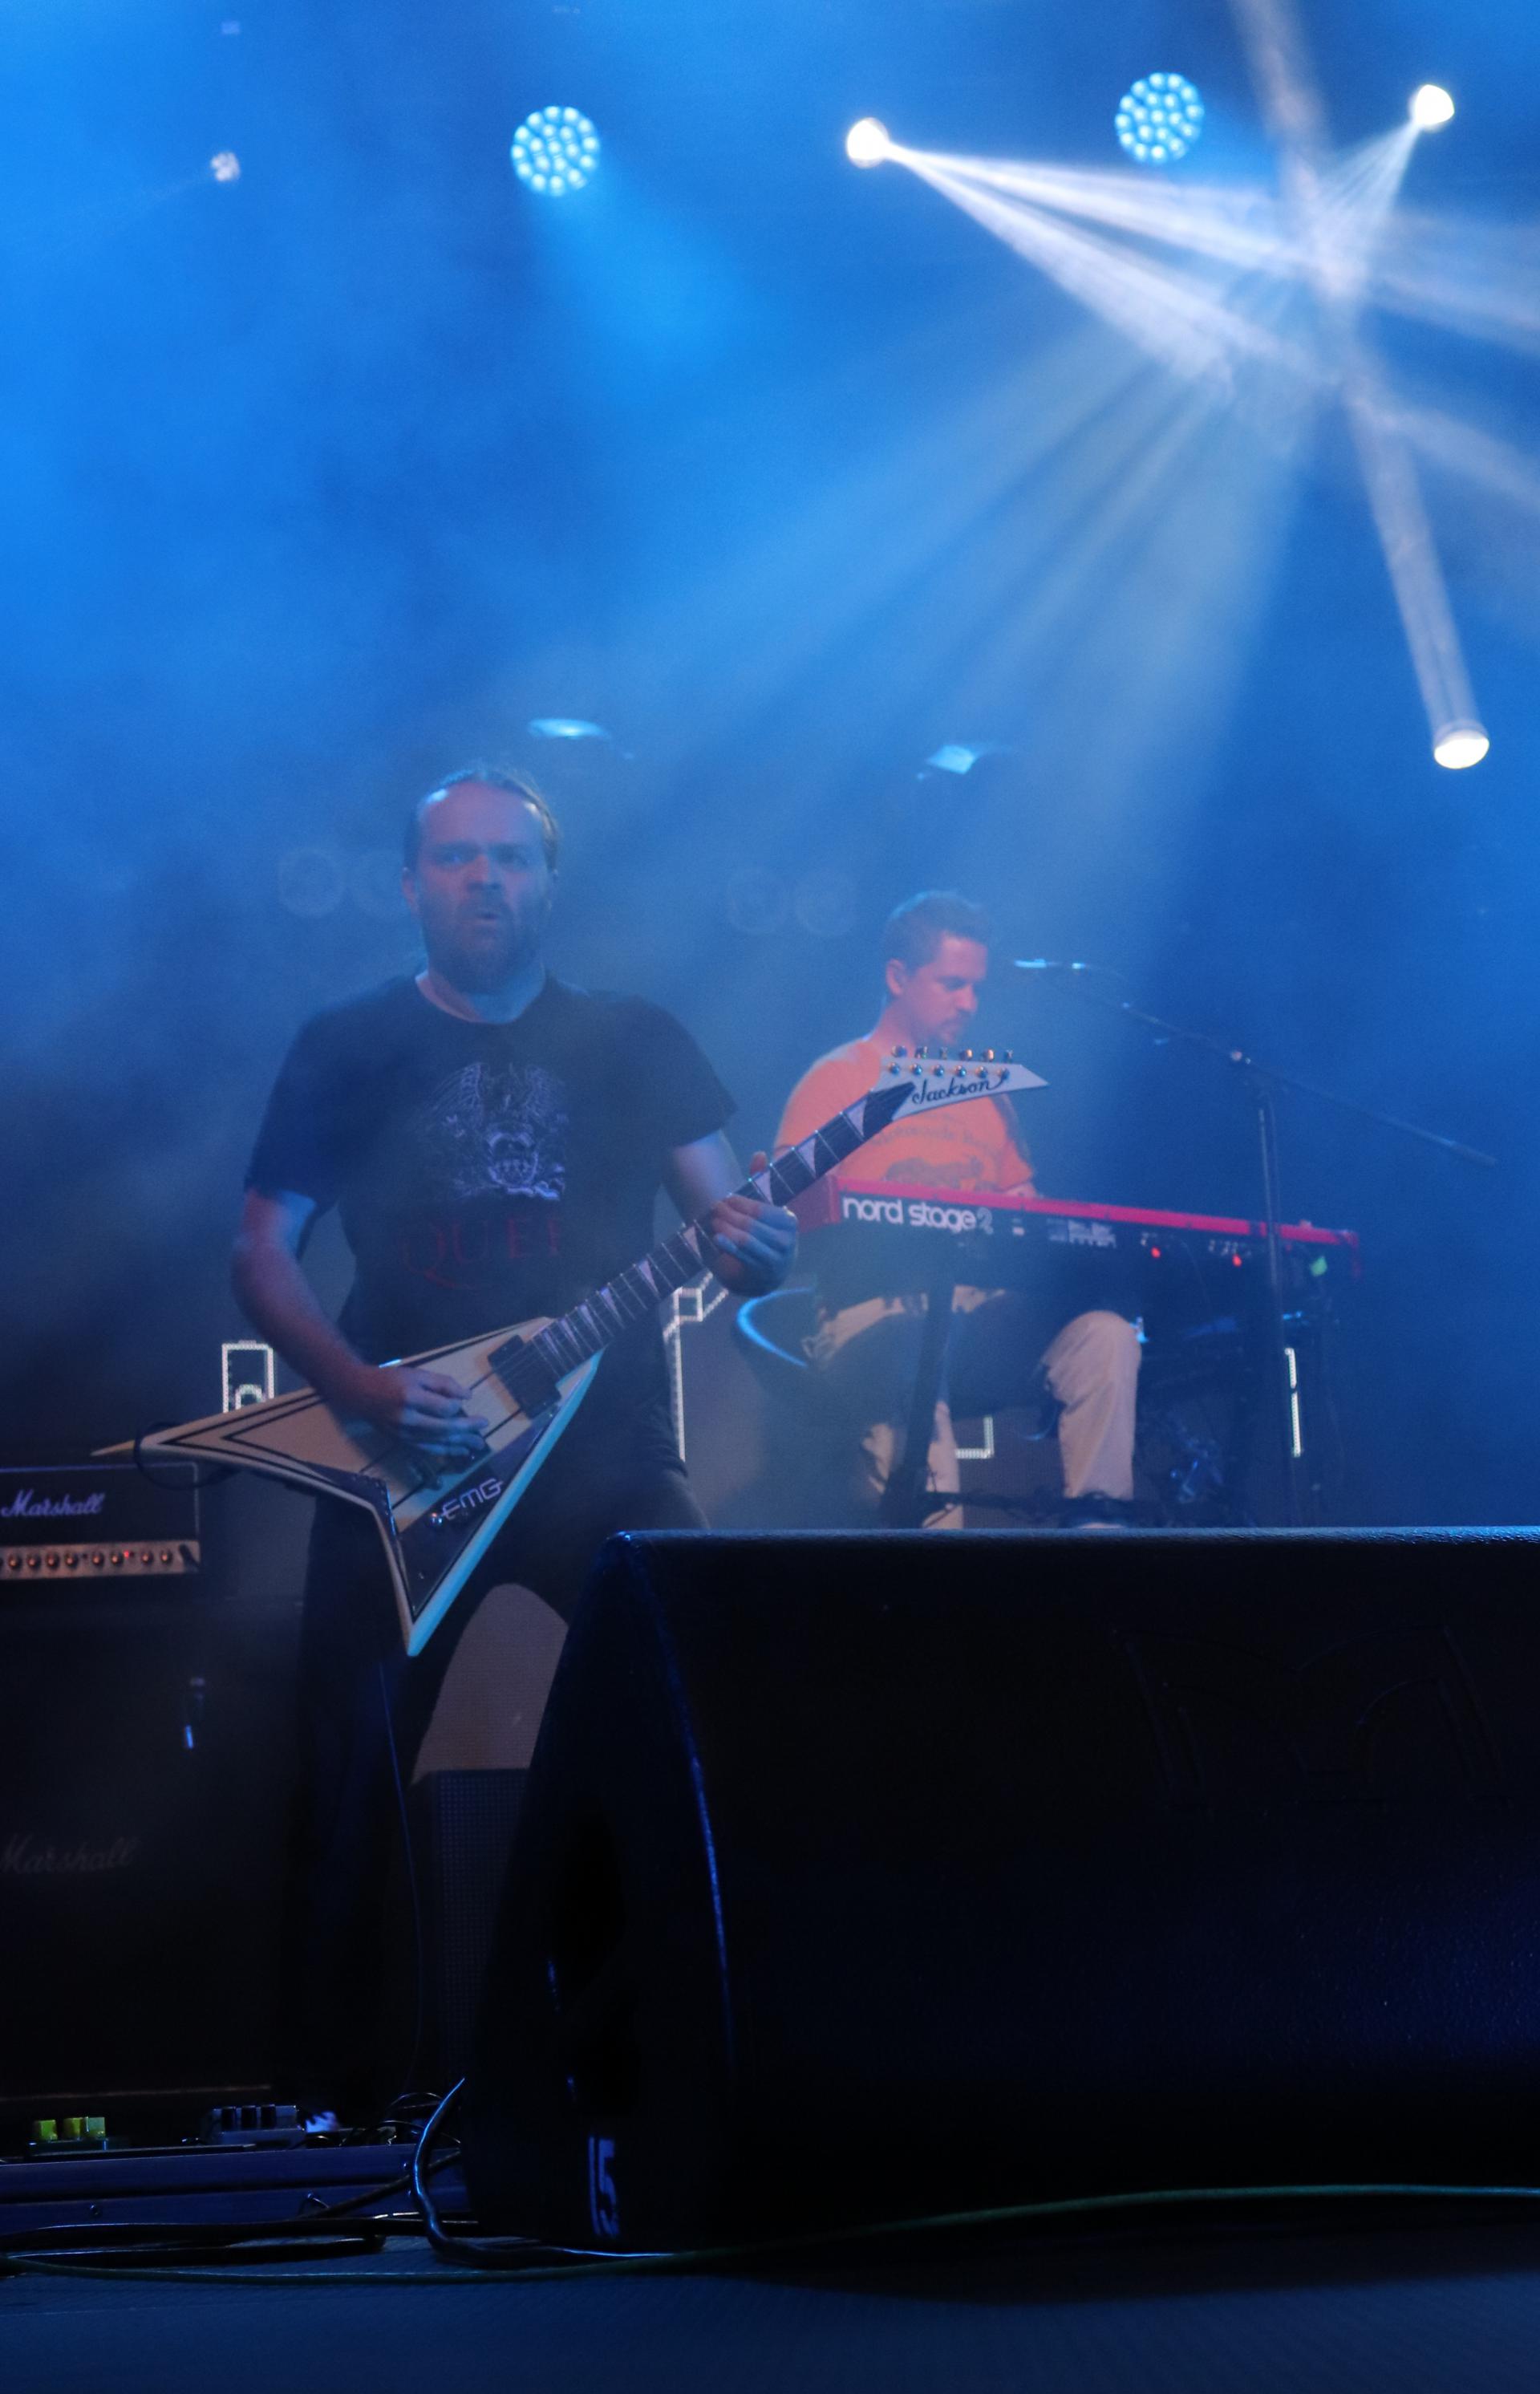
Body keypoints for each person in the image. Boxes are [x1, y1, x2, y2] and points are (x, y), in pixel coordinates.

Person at [233, 763, 796, 2122]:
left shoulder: (637, 1038)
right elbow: (260, 1253)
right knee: (348, 1772)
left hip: (601, 1447)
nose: (485, 878)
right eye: (457, 857)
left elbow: (735, 1237)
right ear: (410, 884)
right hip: (407, 1453)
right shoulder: (346, 1043)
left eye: (510, 857)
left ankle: (707, 2068)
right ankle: (330, 2113)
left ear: (549, 882)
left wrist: (764, 1253)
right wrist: (361, 1391)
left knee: (700, 1729)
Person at [775, 891, 1140, 1526]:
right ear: (898, 977)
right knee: (912, 1345)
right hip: (875, 1318)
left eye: (976, 988)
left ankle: (1101, 1536)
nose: (969, 1003)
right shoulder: (837, 1079)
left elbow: (1023, 1212)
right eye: (952, 985)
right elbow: (785, 1213)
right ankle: (938, 1558)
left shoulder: (986, 1093)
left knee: (1105, 1336)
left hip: (976, 1319)